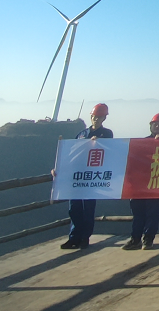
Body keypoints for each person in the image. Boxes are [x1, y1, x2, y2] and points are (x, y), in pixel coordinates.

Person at [61, 103, 114, 249]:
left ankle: (85, 237)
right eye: (94, 116)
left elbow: (111, 150)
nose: (96, 119)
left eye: (99, 117)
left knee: (88, 208)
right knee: (74, 208)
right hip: (78, 175)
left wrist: (100, 143)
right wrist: (59, 168)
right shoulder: (81, 134)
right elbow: (71, 153)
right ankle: (74, 238)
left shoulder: (107, 134)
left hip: (92, 177)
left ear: (104, 118)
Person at [123, 112, 159, 250]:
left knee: (152, 212)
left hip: (156, 183)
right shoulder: (143, 142)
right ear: (150, 125)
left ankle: (148, 239)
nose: (157, 126)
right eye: (154, 124)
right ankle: (135, 239)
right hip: (140, 184)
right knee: (138, 212)